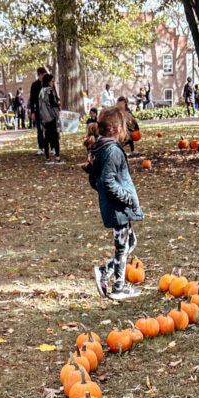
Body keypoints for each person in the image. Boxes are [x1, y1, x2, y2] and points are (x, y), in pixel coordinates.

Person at [84, 106, 143, 302]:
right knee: (122, 247)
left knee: (129, 242)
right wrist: (127, 198)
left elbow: (95, 180)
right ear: (117, 128)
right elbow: (107, 182)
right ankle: (118, 287)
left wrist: (105, 192)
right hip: (119, 208)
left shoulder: (100, 148)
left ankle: (106, 272)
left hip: (115, 207)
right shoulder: (112, 151)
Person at [38, 72, 63, 164]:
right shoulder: (49, 90)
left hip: (44, 117)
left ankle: (48, 158)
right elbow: (52, 103)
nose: (53, 83)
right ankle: (57, 157)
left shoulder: (41, 91)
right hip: (51, 117)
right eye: (52, 81)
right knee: (55, 138)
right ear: (49, 82)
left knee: (47, 138)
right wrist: (58, 104)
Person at [29, 66, 47, 155]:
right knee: (40, 129)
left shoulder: (48, 83)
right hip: (38, 110)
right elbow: (32, 99)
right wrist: (32, 111)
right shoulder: (35, 85)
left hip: (48, 110)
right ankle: (41, 147)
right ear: (39, 75)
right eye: (43, 75)